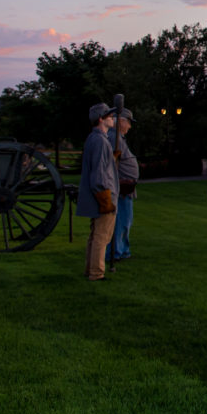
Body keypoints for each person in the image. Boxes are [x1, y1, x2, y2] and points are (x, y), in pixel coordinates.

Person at [77, 102, 118, 282]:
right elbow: (99, 174)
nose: (112, 118)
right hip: (103, 195)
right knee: (102, 236)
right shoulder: (100, 141)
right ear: (101, 119)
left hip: (99, 193)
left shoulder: (94, 139)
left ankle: (90, 269)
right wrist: (105, 198)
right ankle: (97, 273)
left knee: (95, 235)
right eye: (109, 116)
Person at [106, 108, 138, 271]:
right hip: (120, 189)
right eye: (129, 122)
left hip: (126, 189)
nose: (130, 127)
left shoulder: (118, 139)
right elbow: (110, 163)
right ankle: (115, 252)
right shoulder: (114, 139)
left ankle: (122, 249)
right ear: (122, 122)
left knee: (125, 222)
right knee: (120, 222)